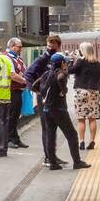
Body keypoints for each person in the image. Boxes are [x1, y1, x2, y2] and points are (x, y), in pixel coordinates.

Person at [39, 53, 90, 171]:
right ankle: (77, 162)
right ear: (62, 63)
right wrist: (63, 90)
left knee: (50, 136)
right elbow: (61, 78)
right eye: (65, 62)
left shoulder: (46, 74)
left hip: (46, 109)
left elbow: (37, 86)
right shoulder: (60, 73)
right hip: (58, 110)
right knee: (72, 135)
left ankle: (53, 163)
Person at [26, 33, 64, 166]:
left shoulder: (57, 59)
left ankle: (52, 155)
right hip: (44, 98)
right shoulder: (43, 59)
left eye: (52, 47)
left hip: (53, 98)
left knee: (52, 128)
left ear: (58, 46)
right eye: (48, 47)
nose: (50, 49)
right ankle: (48, 157)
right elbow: (28, 74)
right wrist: (36, 90)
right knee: (47, 128)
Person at [70, 41, 100, 151]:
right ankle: (92, 141)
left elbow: (70, 71)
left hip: (81, 92)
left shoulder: (80, 61)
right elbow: (99, 79)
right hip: (94, 92)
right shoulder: (97, 63)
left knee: (81, 119)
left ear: (82, 51)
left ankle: (82, 141)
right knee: (92, 118)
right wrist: (98, 92)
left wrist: (72, 61)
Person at [5, 37, 29, 150]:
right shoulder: (8, 58)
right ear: (12, 46)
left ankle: (15, 138)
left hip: (18, 90)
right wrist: (25, 81)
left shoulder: (17, 58)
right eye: (19, 47)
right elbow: (12, 75)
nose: (20, 49)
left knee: (15, 116)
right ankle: (10, 139)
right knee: (11, 115)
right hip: (12, 90)